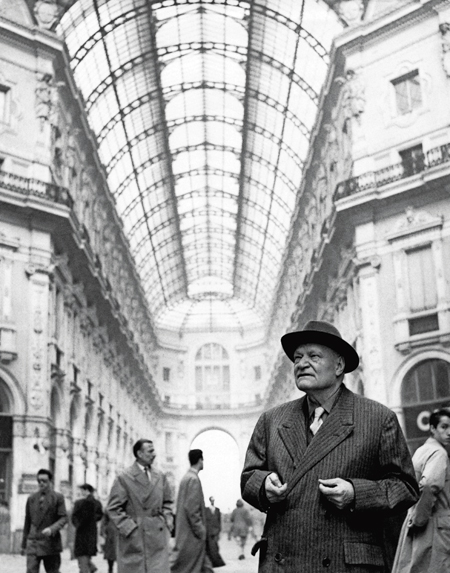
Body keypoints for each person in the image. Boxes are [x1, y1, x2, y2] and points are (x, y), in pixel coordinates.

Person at [241, 320, 419, 572]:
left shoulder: (377, 418)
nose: (301, 363)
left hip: (343, 563)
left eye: (313, 356)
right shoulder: (272, 420)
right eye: (297, 357)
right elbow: (249, 477)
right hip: (283, 561)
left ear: (338, 365)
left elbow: (405, 487)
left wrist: (356, 493)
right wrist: (263, 485)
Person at [392, 407, 450, 572]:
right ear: (432, 428)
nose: (449, 432)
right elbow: (430, 484)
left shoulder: (422, 450)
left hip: (423, 520)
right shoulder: (439, 453)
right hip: (434, 525)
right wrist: (419, 519)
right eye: (444, 427)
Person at [107, 438, 174, 573]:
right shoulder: (124, 477)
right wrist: (130, 528)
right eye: (150, 451)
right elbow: (113, 508)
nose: (154, 454)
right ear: (139, 454)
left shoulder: (160, 476)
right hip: (135, 535)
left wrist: (167, 520)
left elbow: (168, 502)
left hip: (157, 534)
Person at [170, 449, 213, 573]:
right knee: (191, 567)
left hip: (186, 534)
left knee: (203, 567)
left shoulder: (186, 477)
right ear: (200, 460)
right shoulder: (193, 479)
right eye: (203, 459)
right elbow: (192, 509)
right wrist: (201, 530)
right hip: (192, 537)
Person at [21, 468, 68, 573]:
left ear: (50, 482)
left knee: (52, 571)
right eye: (39, 481)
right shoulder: (32, 498)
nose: (41, 483)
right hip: (33, 543)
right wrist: (23, 545)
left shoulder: (57, 497)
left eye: (44, 481)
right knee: (31, 571)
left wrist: (52, 529)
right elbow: (27, 521)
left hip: (50, 544)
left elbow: (63, 517)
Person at [72, 483, 103, 573]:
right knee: (85, 556)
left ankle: (89, 567)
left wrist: (78, 525)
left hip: (82, 533)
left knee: (82, 557)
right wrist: (92, 521)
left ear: (87, 491)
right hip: (91, 533)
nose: (81, 492)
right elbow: (99, 516)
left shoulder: (79, 503)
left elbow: (74, 517)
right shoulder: (97, 503)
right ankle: (91, 567)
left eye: (82, 490)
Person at [205, 496, 225, 568]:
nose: (212, 501)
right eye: (211, 500)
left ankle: (215, 561)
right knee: (210, 546)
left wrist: (219, 529)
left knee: (215, 545)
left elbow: (219, 520)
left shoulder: (217, 510)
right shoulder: (206, 510)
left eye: (213, 500)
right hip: (209, 531)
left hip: (216, 530)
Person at [100, 509, 117, 573]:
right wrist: (103, 531)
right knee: (111, 553)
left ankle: (111, 569)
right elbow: (104, 521)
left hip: (116, 531)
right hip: (111, 533)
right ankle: (110, 569)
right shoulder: (109, 508)